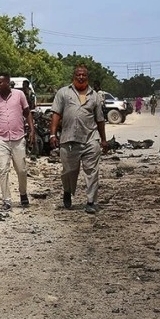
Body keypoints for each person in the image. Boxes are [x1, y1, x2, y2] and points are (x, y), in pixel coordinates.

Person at [49, 65, 108, 214]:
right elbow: (56, 114)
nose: (81, 77)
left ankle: (90, 201)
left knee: (92, 171)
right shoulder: (63, 93)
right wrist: (52, 134)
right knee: (69, 171)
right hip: (69, 139)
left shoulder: (95, 96)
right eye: (78, 75)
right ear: (73, 77)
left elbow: (100, 120)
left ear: (87, 77)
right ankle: (67, 191)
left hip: (90, 138)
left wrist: (103, 140)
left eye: (84, 75)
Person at [0, 74, 36, 210]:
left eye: (0, 82)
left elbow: (27, 112)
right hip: (1, 139)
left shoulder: (19, 95)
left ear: (8, 82)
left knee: (21, 170)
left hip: (18, 138)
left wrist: (32, 130)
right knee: (3, 169)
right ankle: (7, 200)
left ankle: (23, 194)